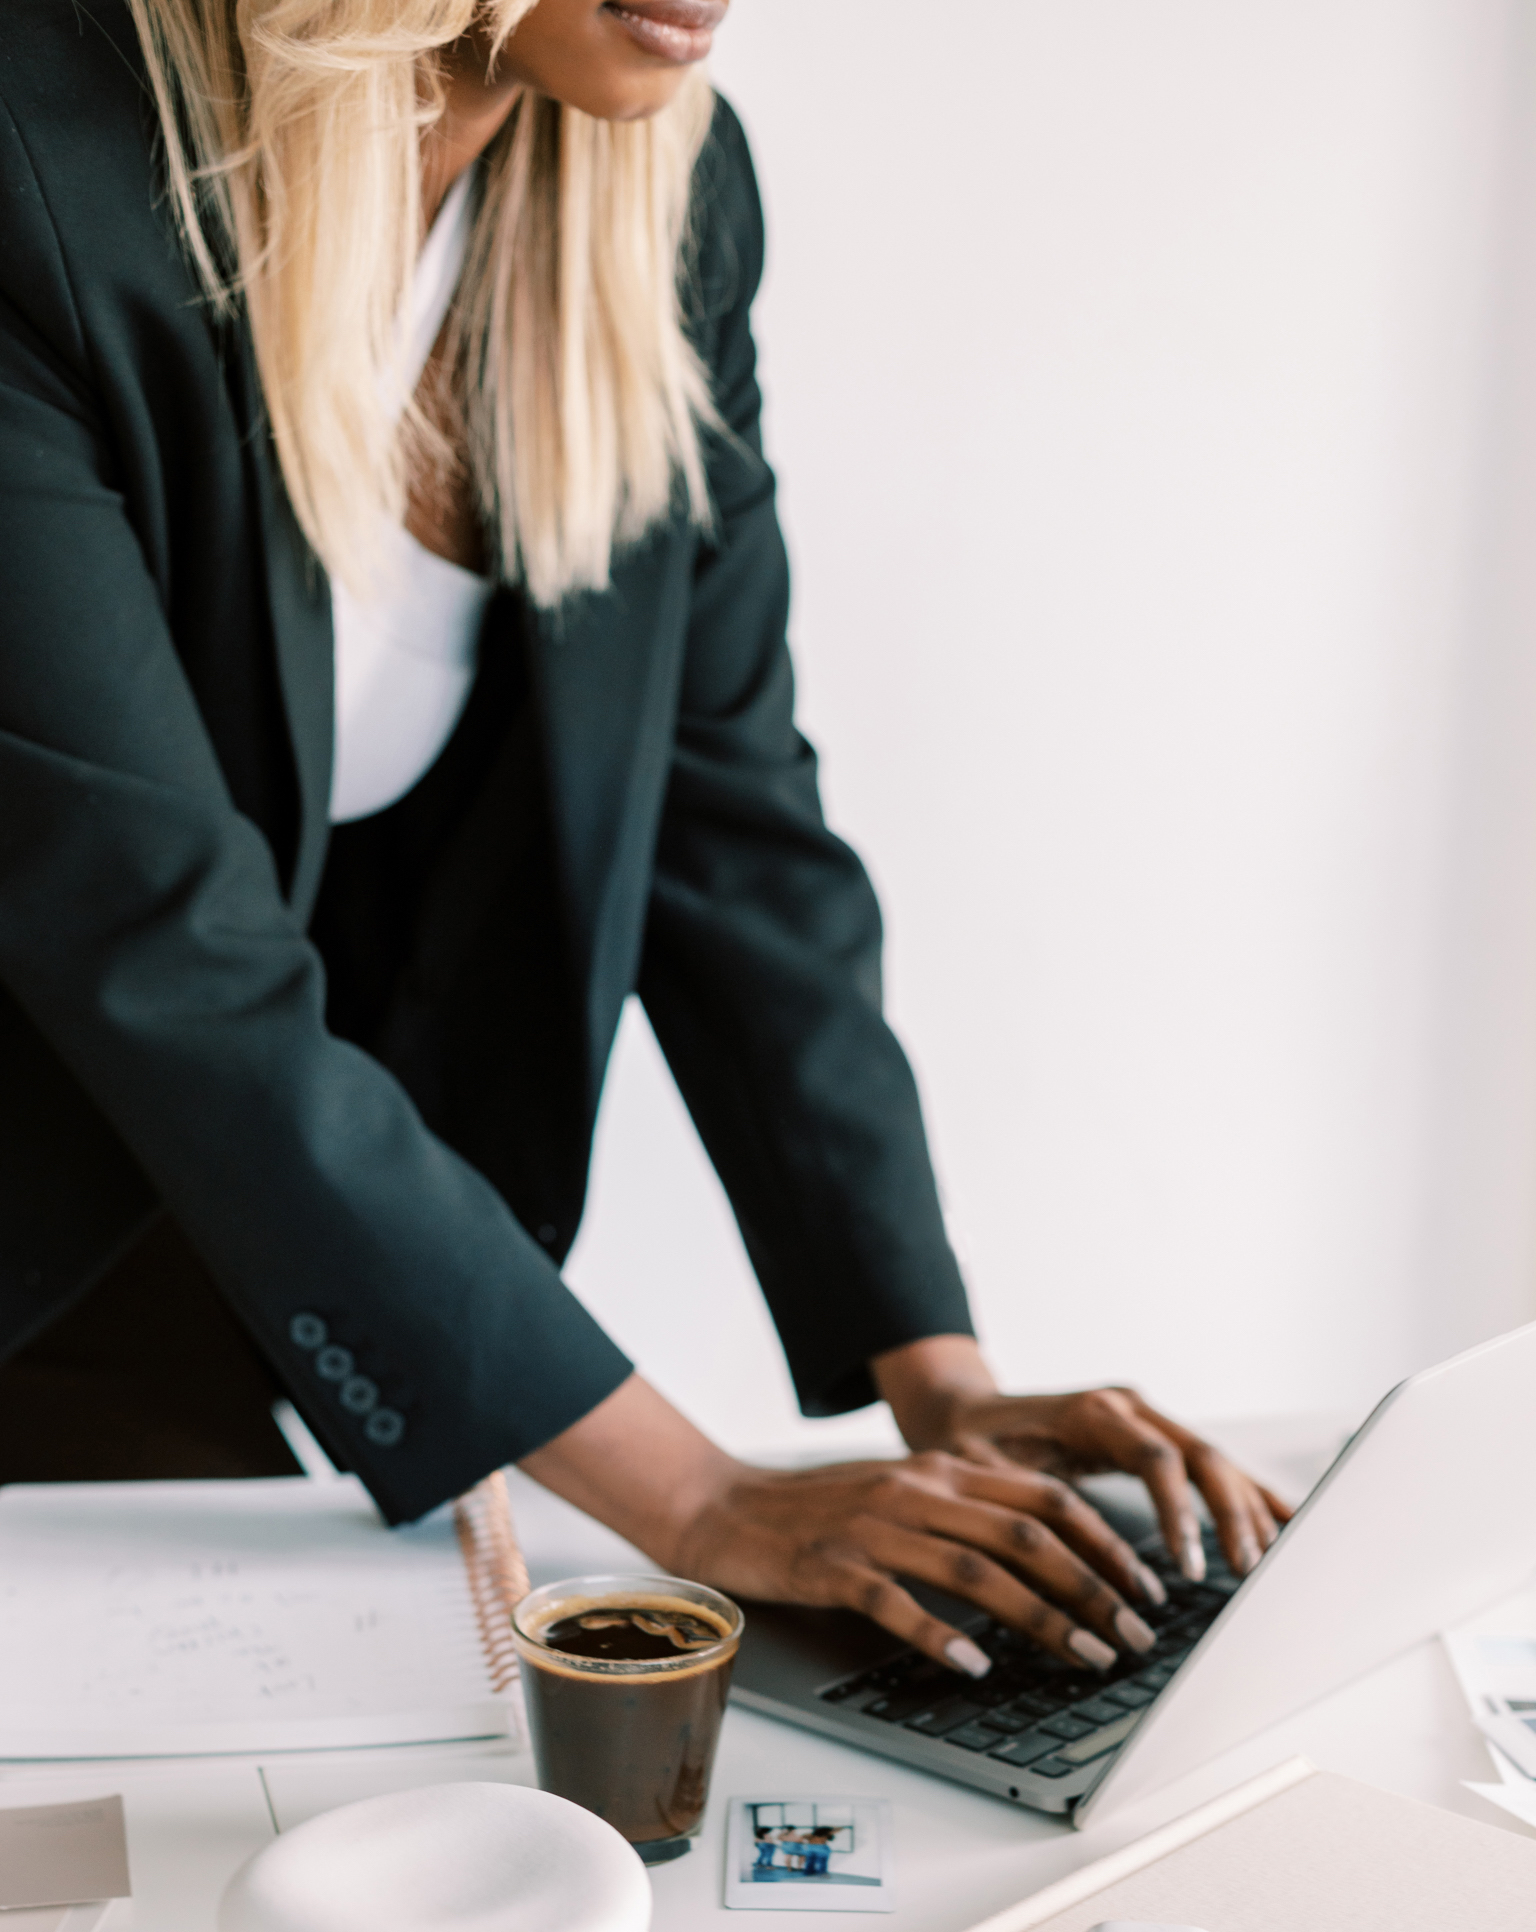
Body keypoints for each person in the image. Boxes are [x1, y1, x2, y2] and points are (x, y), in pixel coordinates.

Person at [0, 0, 1288, 1689]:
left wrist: (943, 1381)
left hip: (297, 1209)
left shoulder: (661, 189)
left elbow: (732, 813)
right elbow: (153, 939)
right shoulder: (41, 158)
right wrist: (699, 1498)